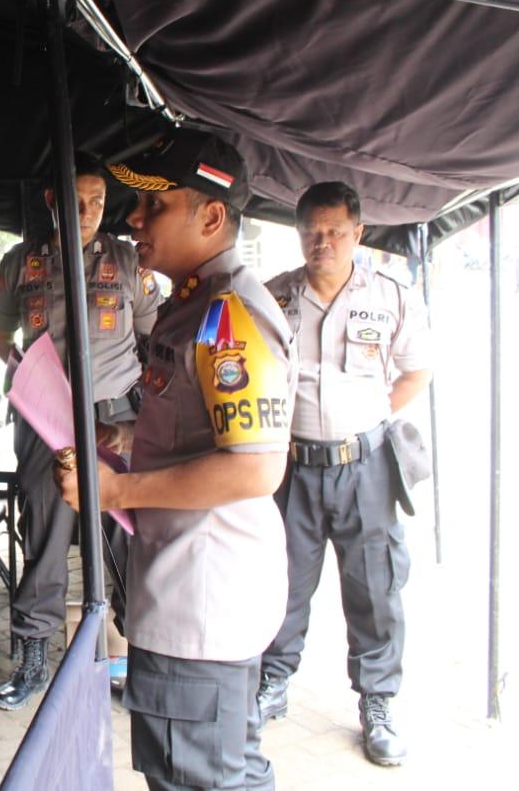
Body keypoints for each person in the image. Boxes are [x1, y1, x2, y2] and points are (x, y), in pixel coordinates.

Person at [57, 129, 295, 790]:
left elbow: (255, 468)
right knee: (225, 770)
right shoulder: (190, 304)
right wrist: (120, 441)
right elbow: (195, 427)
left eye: (155, 205)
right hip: (188, 585)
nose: (134, 218)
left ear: (211, 217)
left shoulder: (227, 314)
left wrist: (116, 491)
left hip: (201, 602)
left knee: (196, 777)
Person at [257, 182, 431, 767]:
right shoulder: (274, 296)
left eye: (334, 231)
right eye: (311, 231)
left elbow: (416, 371)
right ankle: (273, 681)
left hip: (366, 467)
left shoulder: (390, 296)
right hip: (293, 468)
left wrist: (371, 417)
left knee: (374, 588)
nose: (322, 242)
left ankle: (377, 702)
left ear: (358, 232)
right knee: (283, 582)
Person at [0, 152, 160, 710]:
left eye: (96, 202)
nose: (86, 211)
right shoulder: (21, 263)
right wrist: (22, 373)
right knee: (45, 532)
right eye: (74, 200)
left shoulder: (128, 261)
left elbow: (157, 337)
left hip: (117, 418)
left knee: (125, 535)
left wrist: (145, 411)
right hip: (49, 421)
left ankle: (139, 654)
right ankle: (34, 655)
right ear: (50, 200)